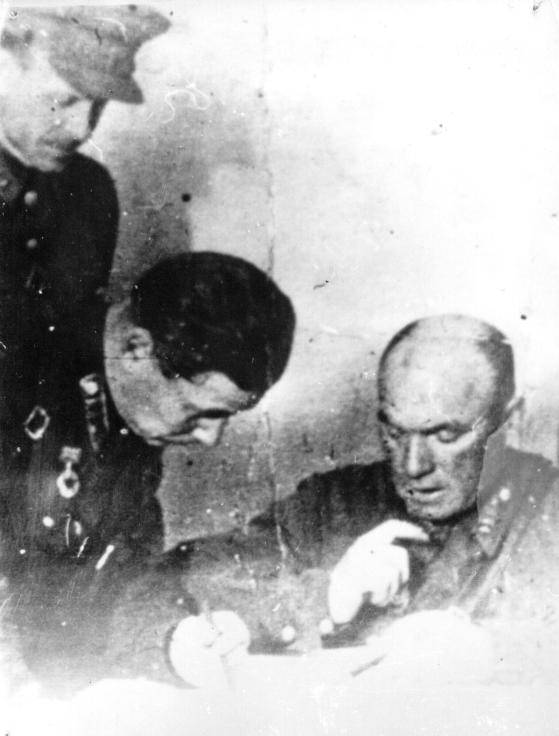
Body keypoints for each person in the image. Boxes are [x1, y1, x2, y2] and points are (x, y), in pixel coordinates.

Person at [3, 250, 295, 693]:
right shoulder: (16, 370)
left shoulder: (127, 414)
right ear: (137, 349)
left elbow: (118, 579)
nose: (210, 438)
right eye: (201, 412)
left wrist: (171, 641)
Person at [0, 4, 169, 551]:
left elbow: (72, 360)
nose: (81, 128)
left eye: (97, 105)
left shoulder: (88, 192)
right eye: (66, 99)